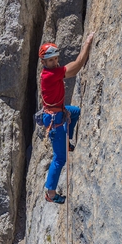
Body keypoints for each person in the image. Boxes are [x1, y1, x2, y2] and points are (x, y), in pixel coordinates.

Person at [39, 33, 94, 204]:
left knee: (75, 112)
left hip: (58, 112)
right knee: (59, 158)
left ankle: (67, 142)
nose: (55, 63)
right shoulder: (49, 75)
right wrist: (87, 43)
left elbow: (70, 66)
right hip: (55, 120)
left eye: (56, 59)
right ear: (44, 63)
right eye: (51, 61)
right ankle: (51, 193)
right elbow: (77, 66)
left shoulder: (51, 71)